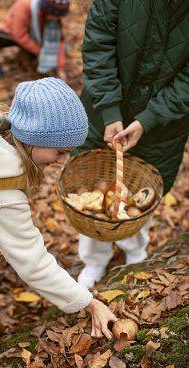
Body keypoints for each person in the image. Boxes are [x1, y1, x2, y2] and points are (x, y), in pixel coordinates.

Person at [0, 78, 117, 358]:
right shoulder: (2, 194)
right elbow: (33, 262)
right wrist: (89, 303)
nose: (63, 161)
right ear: (33, 140)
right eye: (60, 151)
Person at [76, 0, 189, 289]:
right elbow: (98, 43)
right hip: (103, 109)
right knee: (94, 187)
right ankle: (95, 257)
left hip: (162, 125)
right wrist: (110, 110)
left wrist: (149, 119)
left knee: (141, 193)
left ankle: (135, 249)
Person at [0, 0, 69, 81]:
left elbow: (59, 41)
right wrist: (41, 52)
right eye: (53, 15)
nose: (55, 19)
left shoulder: (54, 20)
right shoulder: (23, 5)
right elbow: (19, 35)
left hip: (32, 36)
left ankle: (29, 61)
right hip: (10, 32)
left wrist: (60, 67)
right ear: (45, 9)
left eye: (58, 17)